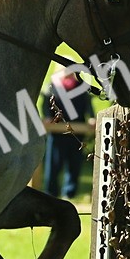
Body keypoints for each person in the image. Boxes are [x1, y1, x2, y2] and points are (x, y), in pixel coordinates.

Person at [41, 69, 94, 199]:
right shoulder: (53, 86)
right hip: (57, 133)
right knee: (54, 164)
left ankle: (70, 193)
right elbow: (46, 103)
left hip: (77, 132)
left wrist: (91, 117)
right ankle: (51, 193)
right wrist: (47, 117)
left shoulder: (80, 87)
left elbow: (88, 104)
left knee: (74, 165)